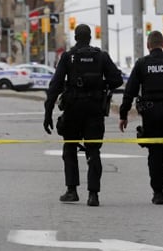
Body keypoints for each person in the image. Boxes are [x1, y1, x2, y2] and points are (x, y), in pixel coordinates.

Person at [43, 24, 123, 207]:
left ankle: (72, 191)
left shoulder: (68, 57)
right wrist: (101, 85)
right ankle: (93, 194)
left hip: (73, 110)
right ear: (90, 38)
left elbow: (54, 86)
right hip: (94, 110)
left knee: (69, 148)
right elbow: (117, 79)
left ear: (76, 37)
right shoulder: (101, 56)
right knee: (94, 151)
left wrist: (47, 113)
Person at [118, 30, 163, 205]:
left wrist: (124, 114)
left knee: (155, 153)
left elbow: (130, 91)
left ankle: (158, 193)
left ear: (148, 45)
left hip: (150, 115)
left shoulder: (142, 64)